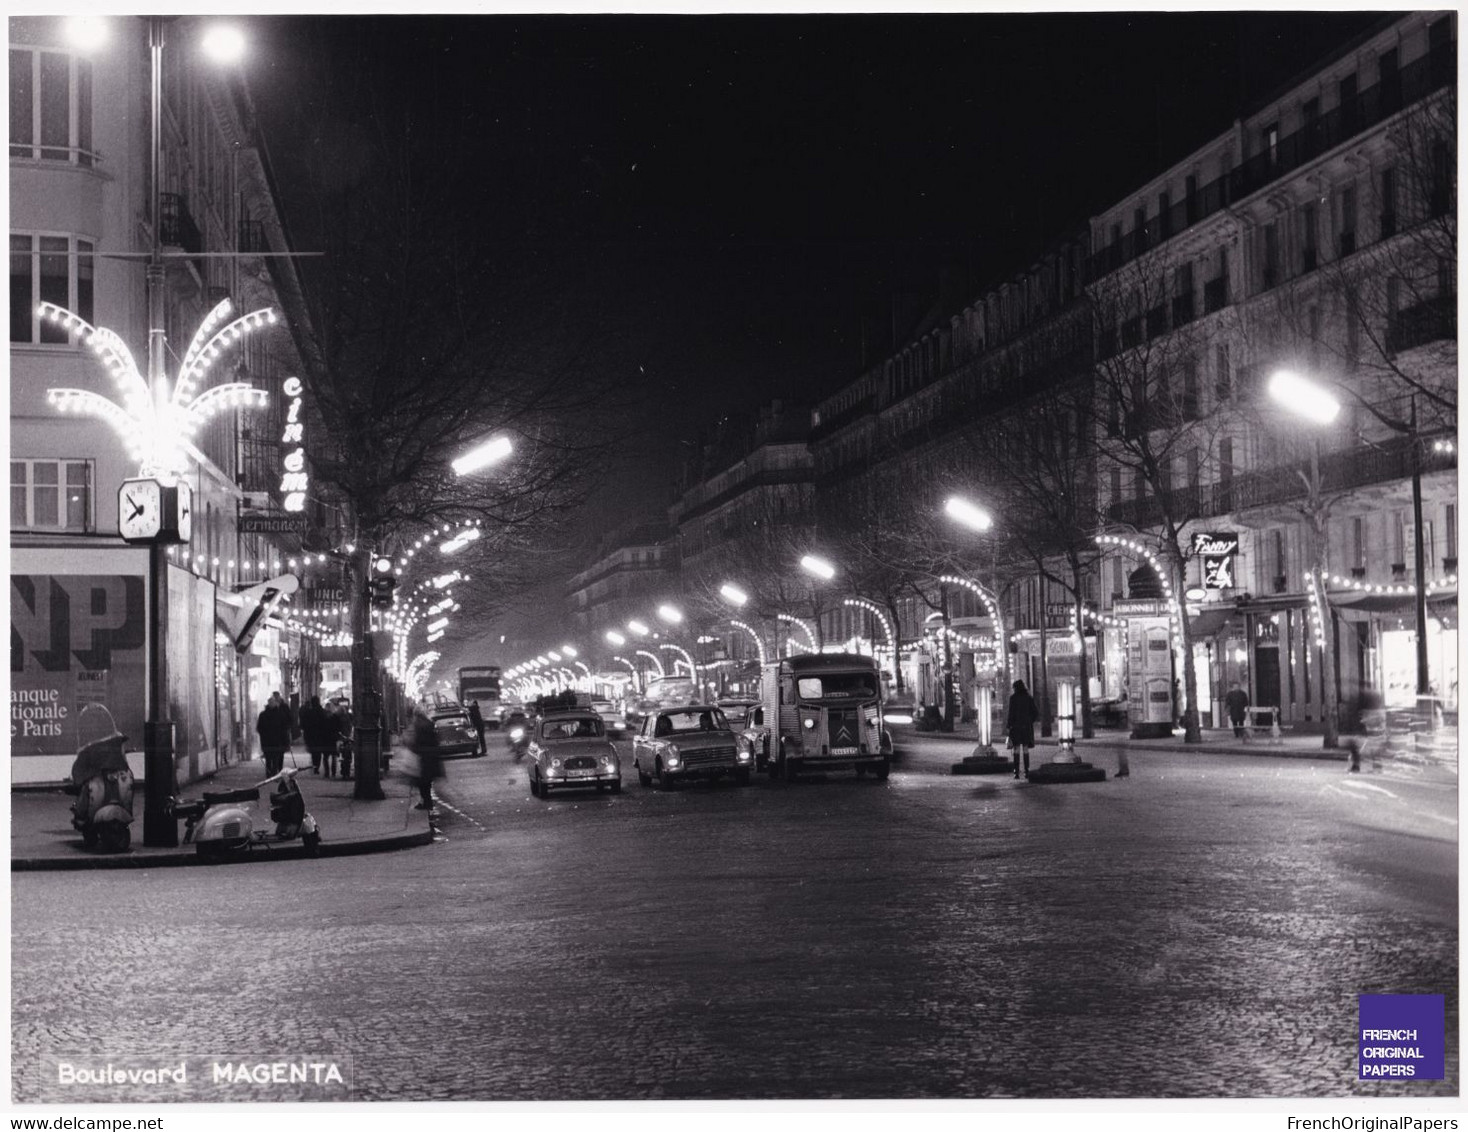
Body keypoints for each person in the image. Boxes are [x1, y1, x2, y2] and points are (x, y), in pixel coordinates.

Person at [408, 704, 444, 811]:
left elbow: (418, 742)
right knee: (426, 782)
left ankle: (427, 802)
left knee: (422, 782)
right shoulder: (429, 723)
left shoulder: (419, 725)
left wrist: (413, 748)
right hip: (431, 757)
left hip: (424, 758)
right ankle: (427, 802)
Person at [1005, 679, 1039, 780]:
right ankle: (1027, 771)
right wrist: (1030, 721)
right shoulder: (1028, 698)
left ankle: (1016, 771)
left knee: (1016, 749)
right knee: (1025, 748)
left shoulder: (1013, 698)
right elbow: (1035, 712)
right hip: (1026, 727)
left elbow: (1011, 714)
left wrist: (1009, 725)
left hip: (1016, 727)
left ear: (1015, 688)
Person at [256, 691, 294, 776]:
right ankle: (274, 773)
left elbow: (259, 728)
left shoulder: (264, 715)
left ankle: (270, 774)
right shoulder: (280, 714)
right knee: (275, 758)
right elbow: (285, 727)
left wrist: (264, 736)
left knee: (270, 759)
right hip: (277, 741)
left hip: (268, 742)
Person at [299, 695, 333, 773]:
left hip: (311, 735)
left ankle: (315, 766)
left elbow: (304, 723)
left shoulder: (308, 712)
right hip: (320, 735)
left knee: (314, 751)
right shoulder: (322, 712)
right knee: (318, 752)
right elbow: (326, 723)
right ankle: (316, 766)